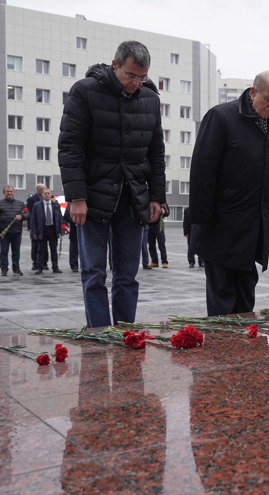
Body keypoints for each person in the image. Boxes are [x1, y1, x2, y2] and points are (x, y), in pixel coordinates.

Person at [59, 40, 165, 327]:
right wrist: (76, 197)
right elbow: (70, 147)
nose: (136, 83)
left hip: (132, 199)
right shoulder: (84, 91)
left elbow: (156, 152)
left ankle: (125, 332)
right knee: (94, 272)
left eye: (142, 77)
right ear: (115, 64)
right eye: (131, 75)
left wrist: (156, 197)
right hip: (92, 199)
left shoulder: (150, 100)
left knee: (127, 275)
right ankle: (100, 334)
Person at [189, 70, 269, 316]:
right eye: (268, 98)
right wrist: (202, 223)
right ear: (253, 92)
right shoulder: (221, 117)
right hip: (222, 228)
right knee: (222, 300)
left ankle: (244, 351)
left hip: (255, 230)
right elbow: (202, 173)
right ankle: (221, 351)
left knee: (246, 297)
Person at [0, 185, 27, 276]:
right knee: (4, 251)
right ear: (4, 193)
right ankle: (4, 268)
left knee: (16, 251)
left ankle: (16, 268)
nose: (10, 193)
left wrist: (22, 217)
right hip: (4, 232)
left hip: (17, 232)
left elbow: (28, 214)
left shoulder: (21, 203)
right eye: (7, 191)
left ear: (14, 192)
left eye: (11, 191)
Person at [30, 187, 64, 274]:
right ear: (42, 195)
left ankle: (55, 267)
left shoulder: (55, 204)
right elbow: (33, 219)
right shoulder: (37, 205)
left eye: (48, 193)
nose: (47, 195)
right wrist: (34, 231)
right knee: (41, 250)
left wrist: (62, 229)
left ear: (51, 194)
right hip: (42, 229)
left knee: (54, 250)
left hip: (53, 229)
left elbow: (60, 217)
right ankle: (39, 268)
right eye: (45, 193)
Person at [26, 183, 47, 271]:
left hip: (46, 226)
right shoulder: (31, 199)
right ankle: (35, 263)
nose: (46, 192)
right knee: (35, 245)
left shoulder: (48, 198)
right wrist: (30, 227)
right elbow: (30, 214)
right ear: (39, 190)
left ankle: (44, 263)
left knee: (44, 245)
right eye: (44, 189)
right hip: (35, 226)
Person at [147, 200, 169, 268]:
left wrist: (164, 212)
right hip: (149, 225)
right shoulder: (148, 201)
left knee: (161, 244)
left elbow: (168, 212)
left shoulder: (163, 202)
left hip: (159, 226)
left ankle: (164, 262)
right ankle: (154, 261)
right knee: (151, 245)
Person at [63, 201, 79, 272]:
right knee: (74, 248)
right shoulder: (70, 203)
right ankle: (74, 265)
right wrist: (75, 222)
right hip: (74, 228)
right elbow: (66, 215)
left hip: (87, 228)